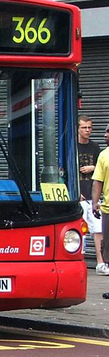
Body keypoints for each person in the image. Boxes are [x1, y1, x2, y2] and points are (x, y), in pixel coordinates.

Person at [77, 115, 105, 274]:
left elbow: (101, 169)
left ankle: (100, 262)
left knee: (98, 229)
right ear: (78, 129)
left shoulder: (95, 147)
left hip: (92, 194)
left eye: (90, 127)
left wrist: (92, 168)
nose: (87, 130)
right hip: (79, 194)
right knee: (80, 231)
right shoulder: (72, 146)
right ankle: (80, 261)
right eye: (84, 127)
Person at [90, 124, 109, 276]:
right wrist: (95, 203)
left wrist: (95, 203)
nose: (105, 135)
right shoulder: (104, 155)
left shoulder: (104, 155)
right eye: (105, 131)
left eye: (108, 132)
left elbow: (97, 182)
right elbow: (98, 181)